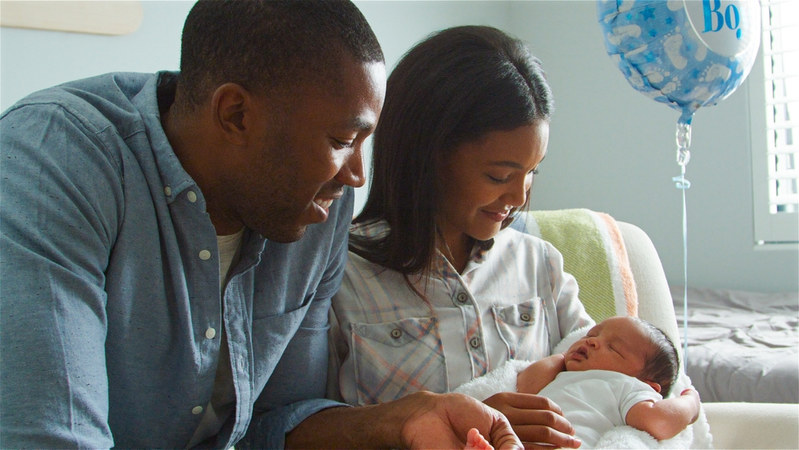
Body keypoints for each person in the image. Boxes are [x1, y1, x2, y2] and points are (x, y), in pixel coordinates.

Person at [0, 2, 522, 449]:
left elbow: (277, 423)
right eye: (343, 140)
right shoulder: (54, 161)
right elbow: (49, 437)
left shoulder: (319, 204)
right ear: (235, 114)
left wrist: (405, 418)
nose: (358, 174)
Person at [328, 25, 594, 448]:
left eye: (532, 173)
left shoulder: (541, 265)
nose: (519, 197)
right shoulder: (340, 278)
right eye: (500, 175)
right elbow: (303, 427)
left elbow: (612, 370)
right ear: (428, 153)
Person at [458, 316, 701, 448]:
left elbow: (658, 421)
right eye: (592, 335)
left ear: (649, 385)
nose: (593, 342)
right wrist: (560, 359)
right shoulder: (562, 376)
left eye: (614, 348)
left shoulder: (628, 387)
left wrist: (690, 404)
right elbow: (526, 388)